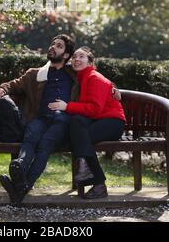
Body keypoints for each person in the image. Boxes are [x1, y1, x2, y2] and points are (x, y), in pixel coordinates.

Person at [0, 34, 77, 204]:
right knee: (30, 136)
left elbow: (97, 79)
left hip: (63, 120)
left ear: (66, 55)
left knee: (44, 145)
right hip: (41, 118)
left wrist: (112, 89)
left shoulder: (75, 74)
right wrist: (2, 88)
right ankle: (20, 167)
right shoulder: (35, 74)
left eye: (59, 46)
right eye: (52, 44)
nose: (53, 47)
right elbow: (13, 84)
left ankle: (20, 187)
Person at [49, 46, 126, 199]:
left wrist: (67, 106)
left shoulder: (94, 78)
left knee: (78, 138)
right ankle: (93, 179)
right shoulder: (81, 78)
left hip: (112, 123)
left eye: (82, 56)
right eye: (74, 57)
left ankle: (97, 182)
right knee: (77, 123)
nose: (77, 59)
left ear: (90, 62)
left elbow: (94, 109)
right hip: (97, 121)